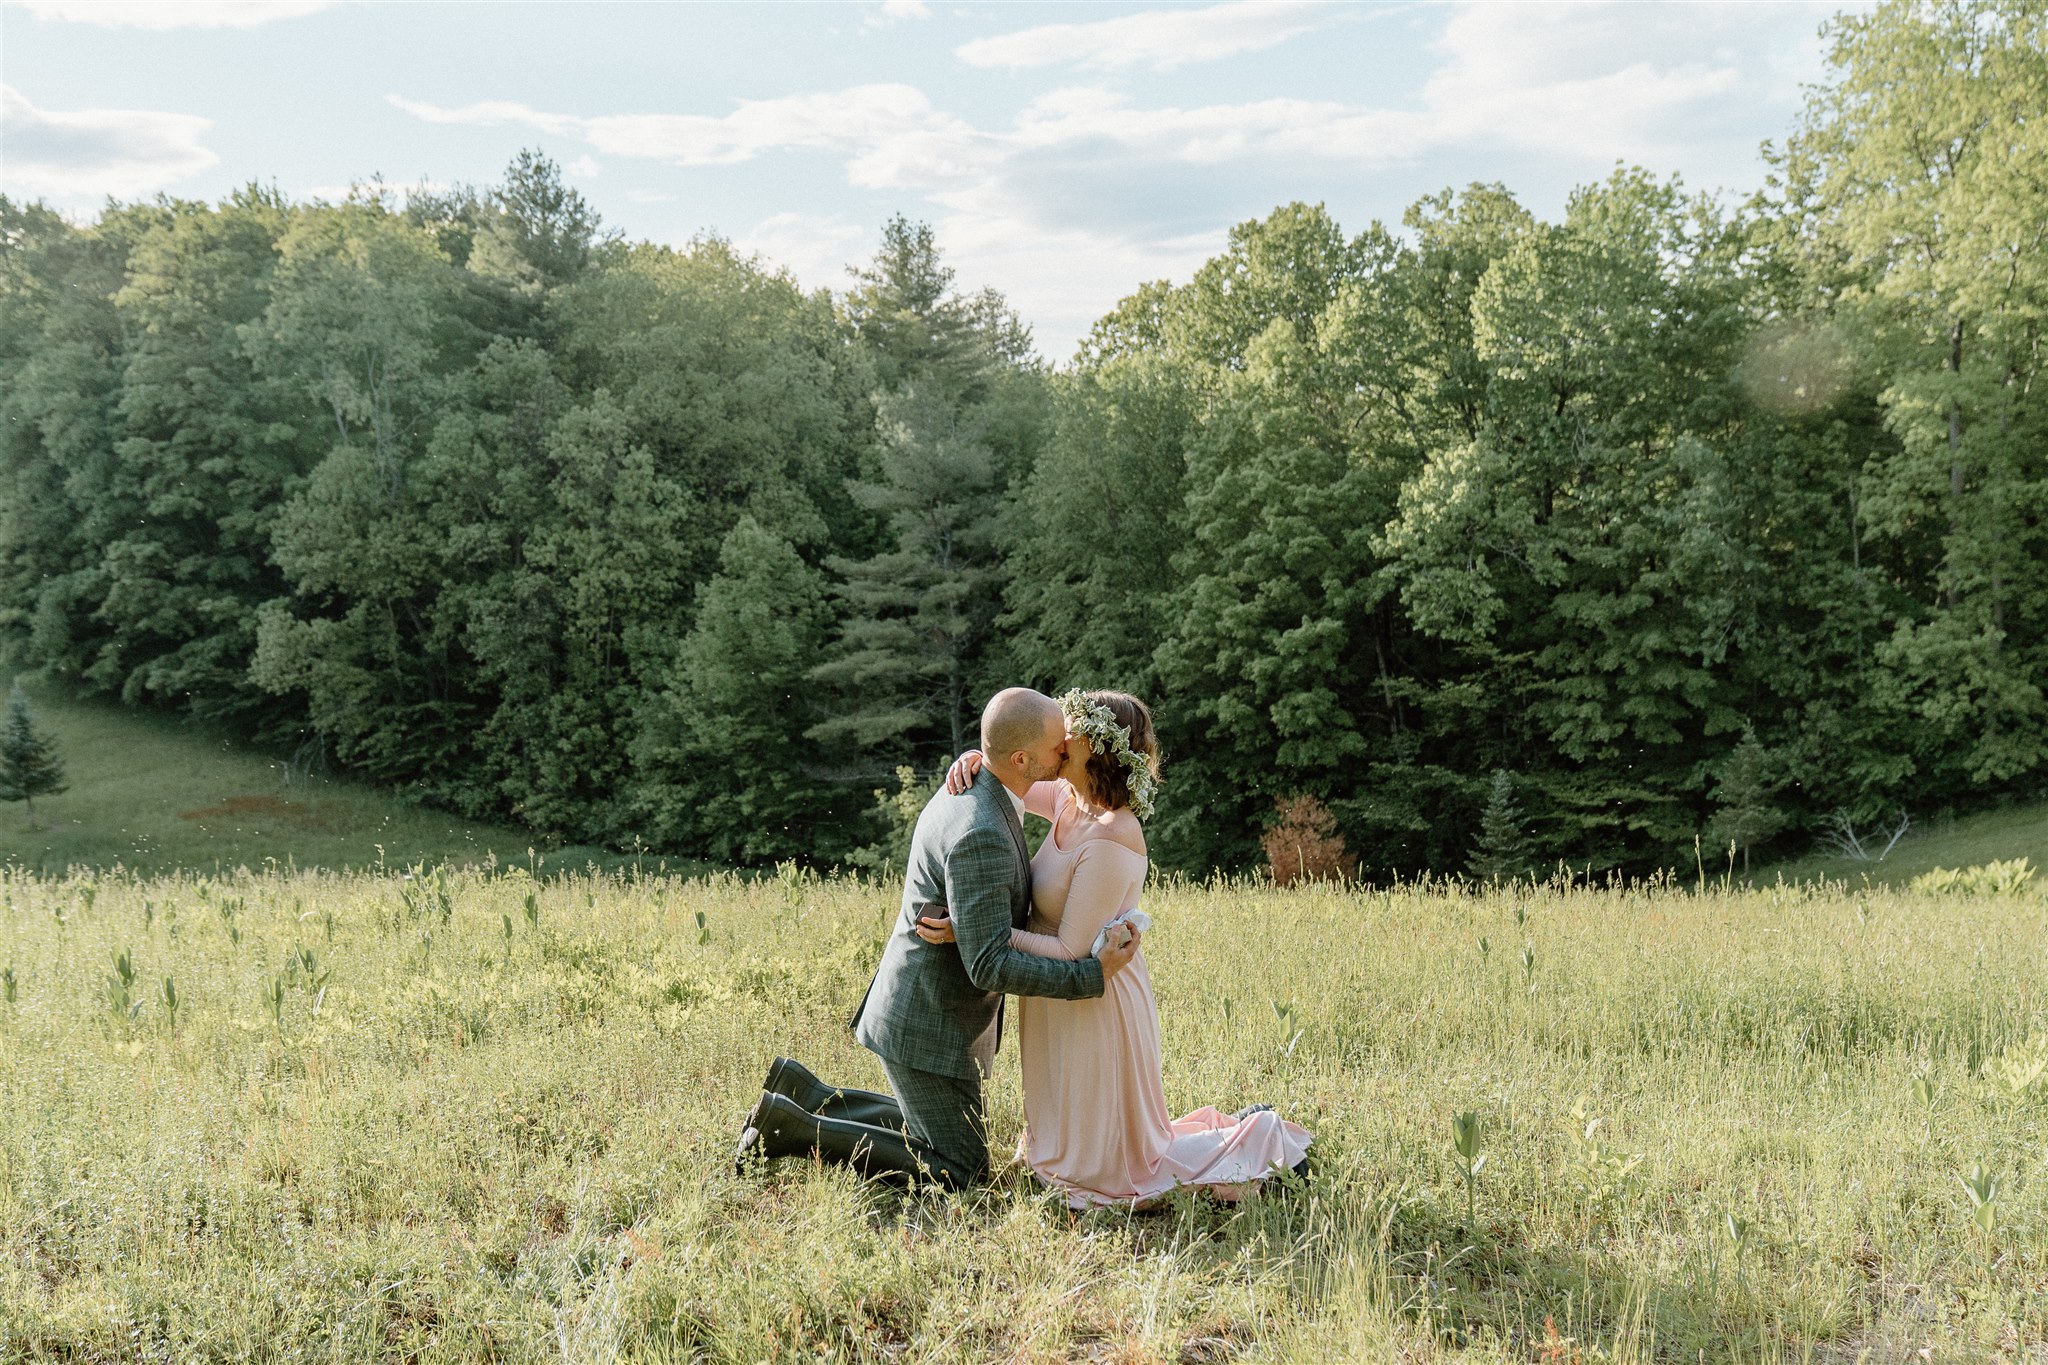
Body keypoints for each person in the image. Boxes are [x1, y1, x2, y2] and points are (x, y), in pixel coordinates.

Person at [735, 687, 1144, 1188]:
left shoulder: (987, 788)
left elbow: (1004, 756)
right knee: (961, 1170)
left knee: (932, 1132)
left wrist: (975, 755)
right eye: (1057, 745)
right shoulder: (982, 828)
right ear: (1021, 759)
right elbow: (989, 964)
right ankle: (789, 1127)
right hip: (927, 1020)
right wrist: (1089, 976)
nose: (1065, 750)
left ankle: (803, 1092)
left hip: (922, 1006)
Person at [920, 689, 1311, 1208]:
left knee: (1115, 1167)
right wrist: (975, 759)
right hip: (1053, 994)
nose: (1059, 738)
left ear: (1098, 750)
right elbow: (1012, 775)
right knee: (1068, 1123)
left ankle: (1264, 1143)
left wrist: (976, 928)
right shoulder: (1069, 798)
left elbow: (1069, 950)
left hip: (1093, 997)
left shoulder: (1114, 835)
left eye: (1071, 732)